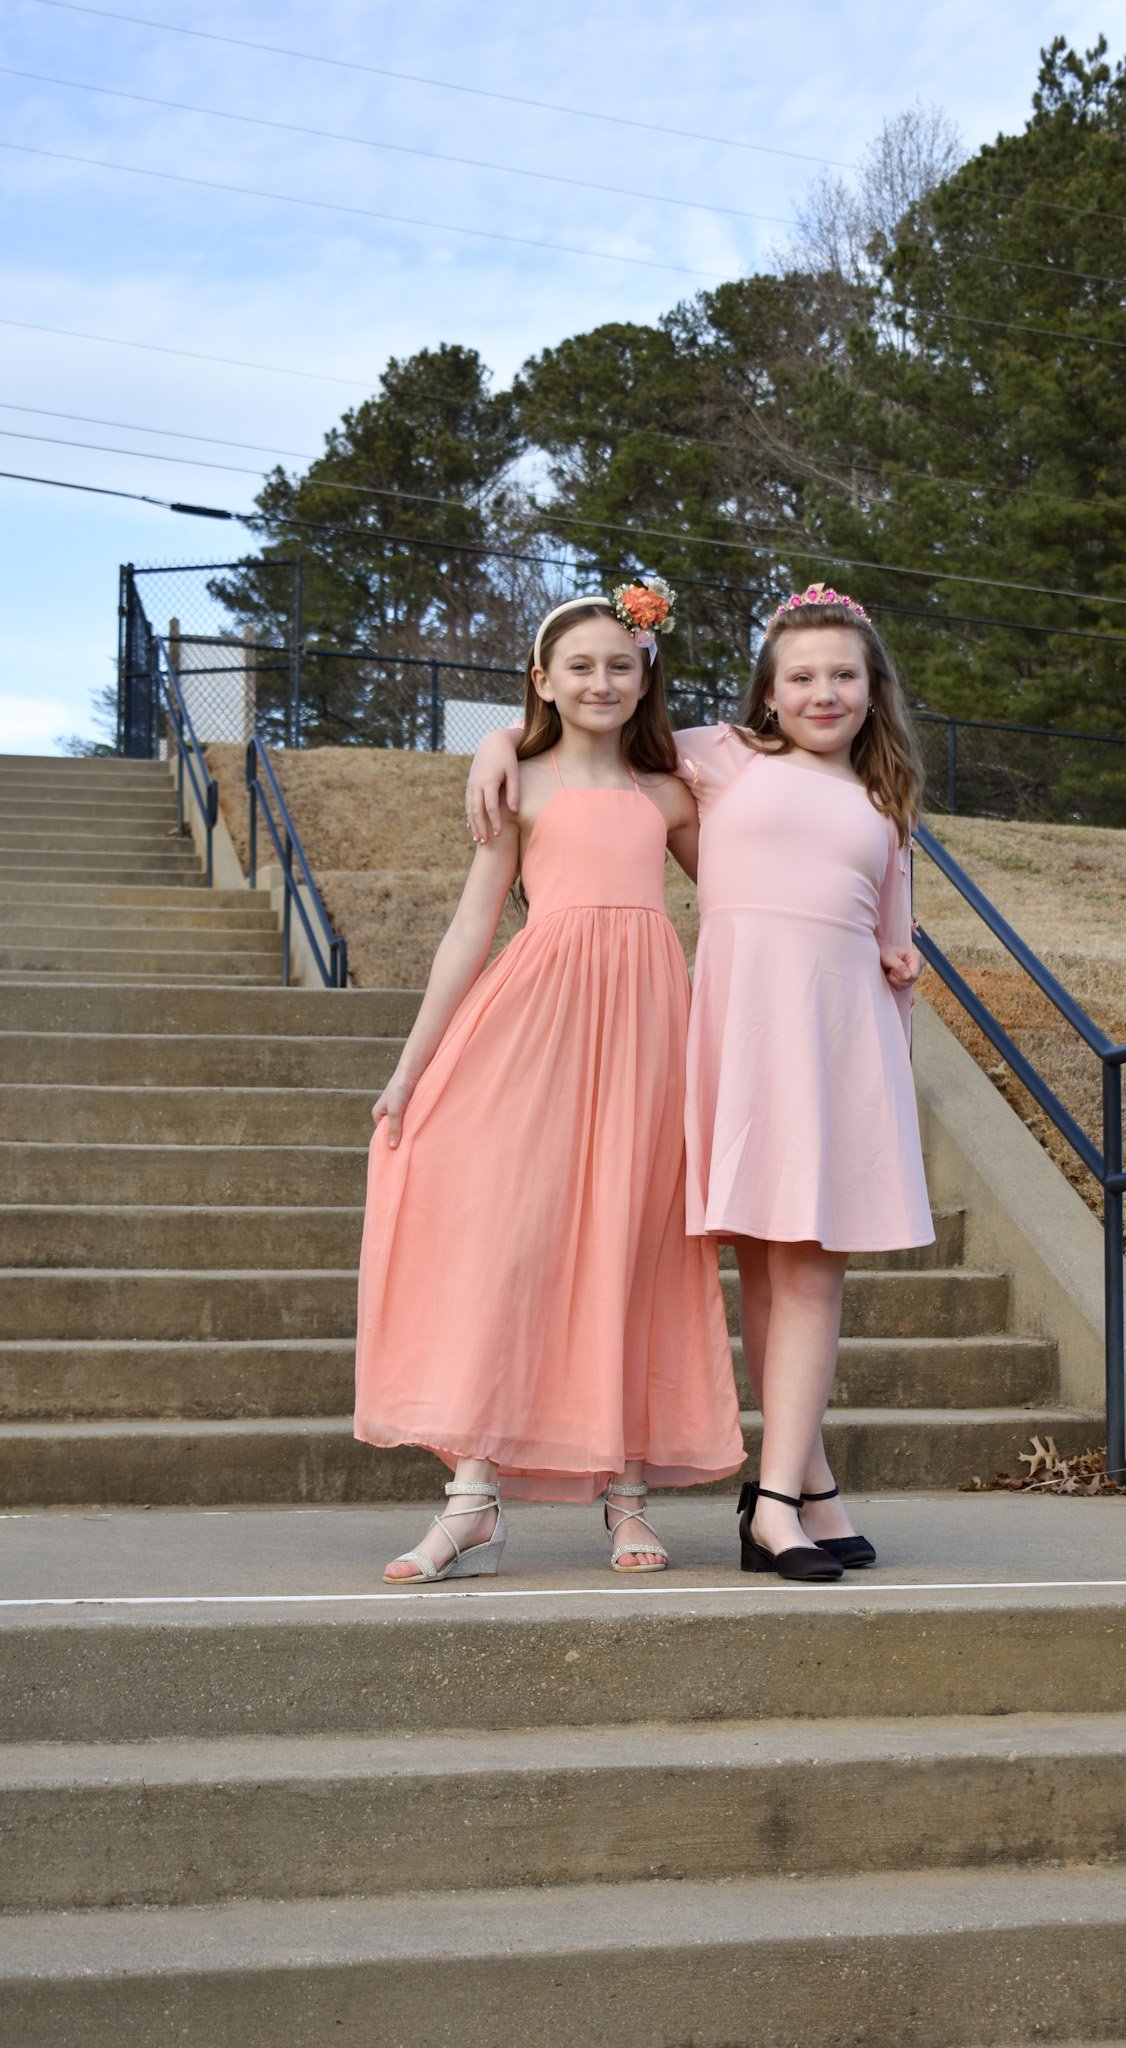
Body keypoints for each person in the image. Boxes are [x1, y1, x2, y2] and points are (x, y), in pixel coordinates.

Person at [467, 584, 932, 1583]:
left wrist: (897, 1009)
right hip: (740, 1034)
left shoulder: (885, 803)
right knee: (766, 1264)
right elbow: (595, 731)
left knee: (810, 1264)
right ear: (767, 693)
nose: (823, 691)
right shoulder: (720, 758)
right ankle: (796, 1491)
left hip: (841, 1042)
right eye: (801, 675)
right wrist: (500, 738)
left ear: (872, 687)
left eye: (843, 674)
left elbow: (896, 946)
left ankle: (786, 1495)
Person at [355, 582, 744, 1583]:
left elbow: (747, 897)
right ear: (541, 680)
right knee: (513, 1242)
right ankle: (472, 1497)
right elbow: (468, 928)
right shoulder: (517, 783)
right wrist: (412, 1065)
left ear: (645, 671)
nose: (602, 679)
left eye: (621, 662)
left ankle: (626, 1497)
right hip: (533, 1027)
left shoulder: (672, 792)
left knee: (634, 1244)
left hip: (649, 1038)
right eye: (579, 665)